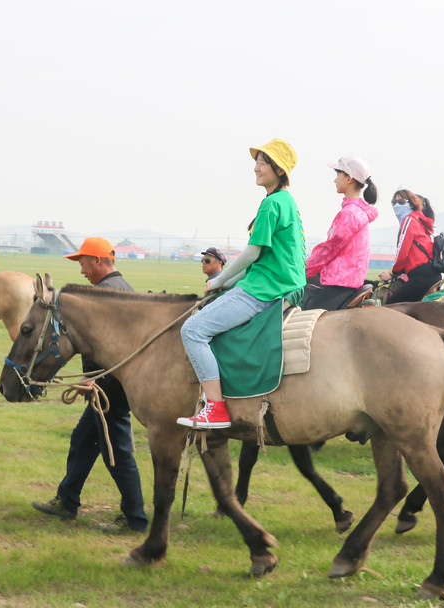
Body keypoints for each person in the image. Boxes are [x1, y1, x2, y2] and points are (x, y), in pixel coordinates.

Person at [177, 138, 305, 429]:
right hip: (284, 284)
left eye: (263, 162)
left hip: (265, 289)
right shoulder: (287, 202)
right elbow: (261, 260)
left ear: (278, 169)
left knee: (193, 329)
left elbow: (252, 252)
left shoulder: (271, 204)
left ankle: (215, 408)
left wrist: (220, 278)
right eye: (257, 162)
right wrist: (227, 282)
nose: (257, 168)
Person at [32, 237, 149, 534]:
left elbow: (123, 352)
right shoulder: (116, 289)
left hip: (110, 389)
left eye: (83, 262)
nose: (81, 270)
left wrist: (97, 380)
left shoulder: (108, 296)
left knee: (117, 452)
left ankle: (135, 519)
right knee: (83, 441)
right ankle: (67, 501)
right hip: (106, 386)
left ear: (97, 261)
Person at [302, 156, 379, 311]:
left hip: (340, 284)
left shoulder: (349, 214)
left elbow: (328, 249)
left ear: (349, 179)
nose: (335, 180)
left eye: (338, 175)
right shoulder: (356, 212)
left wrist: (302, 271)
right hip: (347, 282)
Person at [379, 190, 442, 303]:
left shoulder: (409, 220)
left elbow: (402, 253)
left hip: (421, 276)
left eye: (401, 201)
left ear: (412, 204)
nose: (397, 205)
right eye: (394, 201)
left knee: (390, 306)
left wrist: (391, 273)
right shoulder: (421, 221)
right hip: (429, 273)